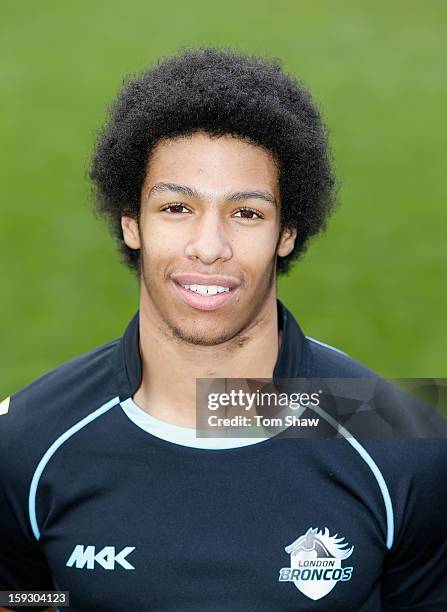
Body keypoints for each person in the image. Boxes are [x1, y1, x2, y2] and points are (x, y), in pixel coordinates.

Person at [0, 47, 446, 612]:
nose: (208, 247)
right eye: (177, 208)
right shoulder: (25, 445)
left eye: (247, 213)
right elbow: (24, 599)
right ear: (131, 222)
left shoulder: (406, 440)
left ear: (287, 232)